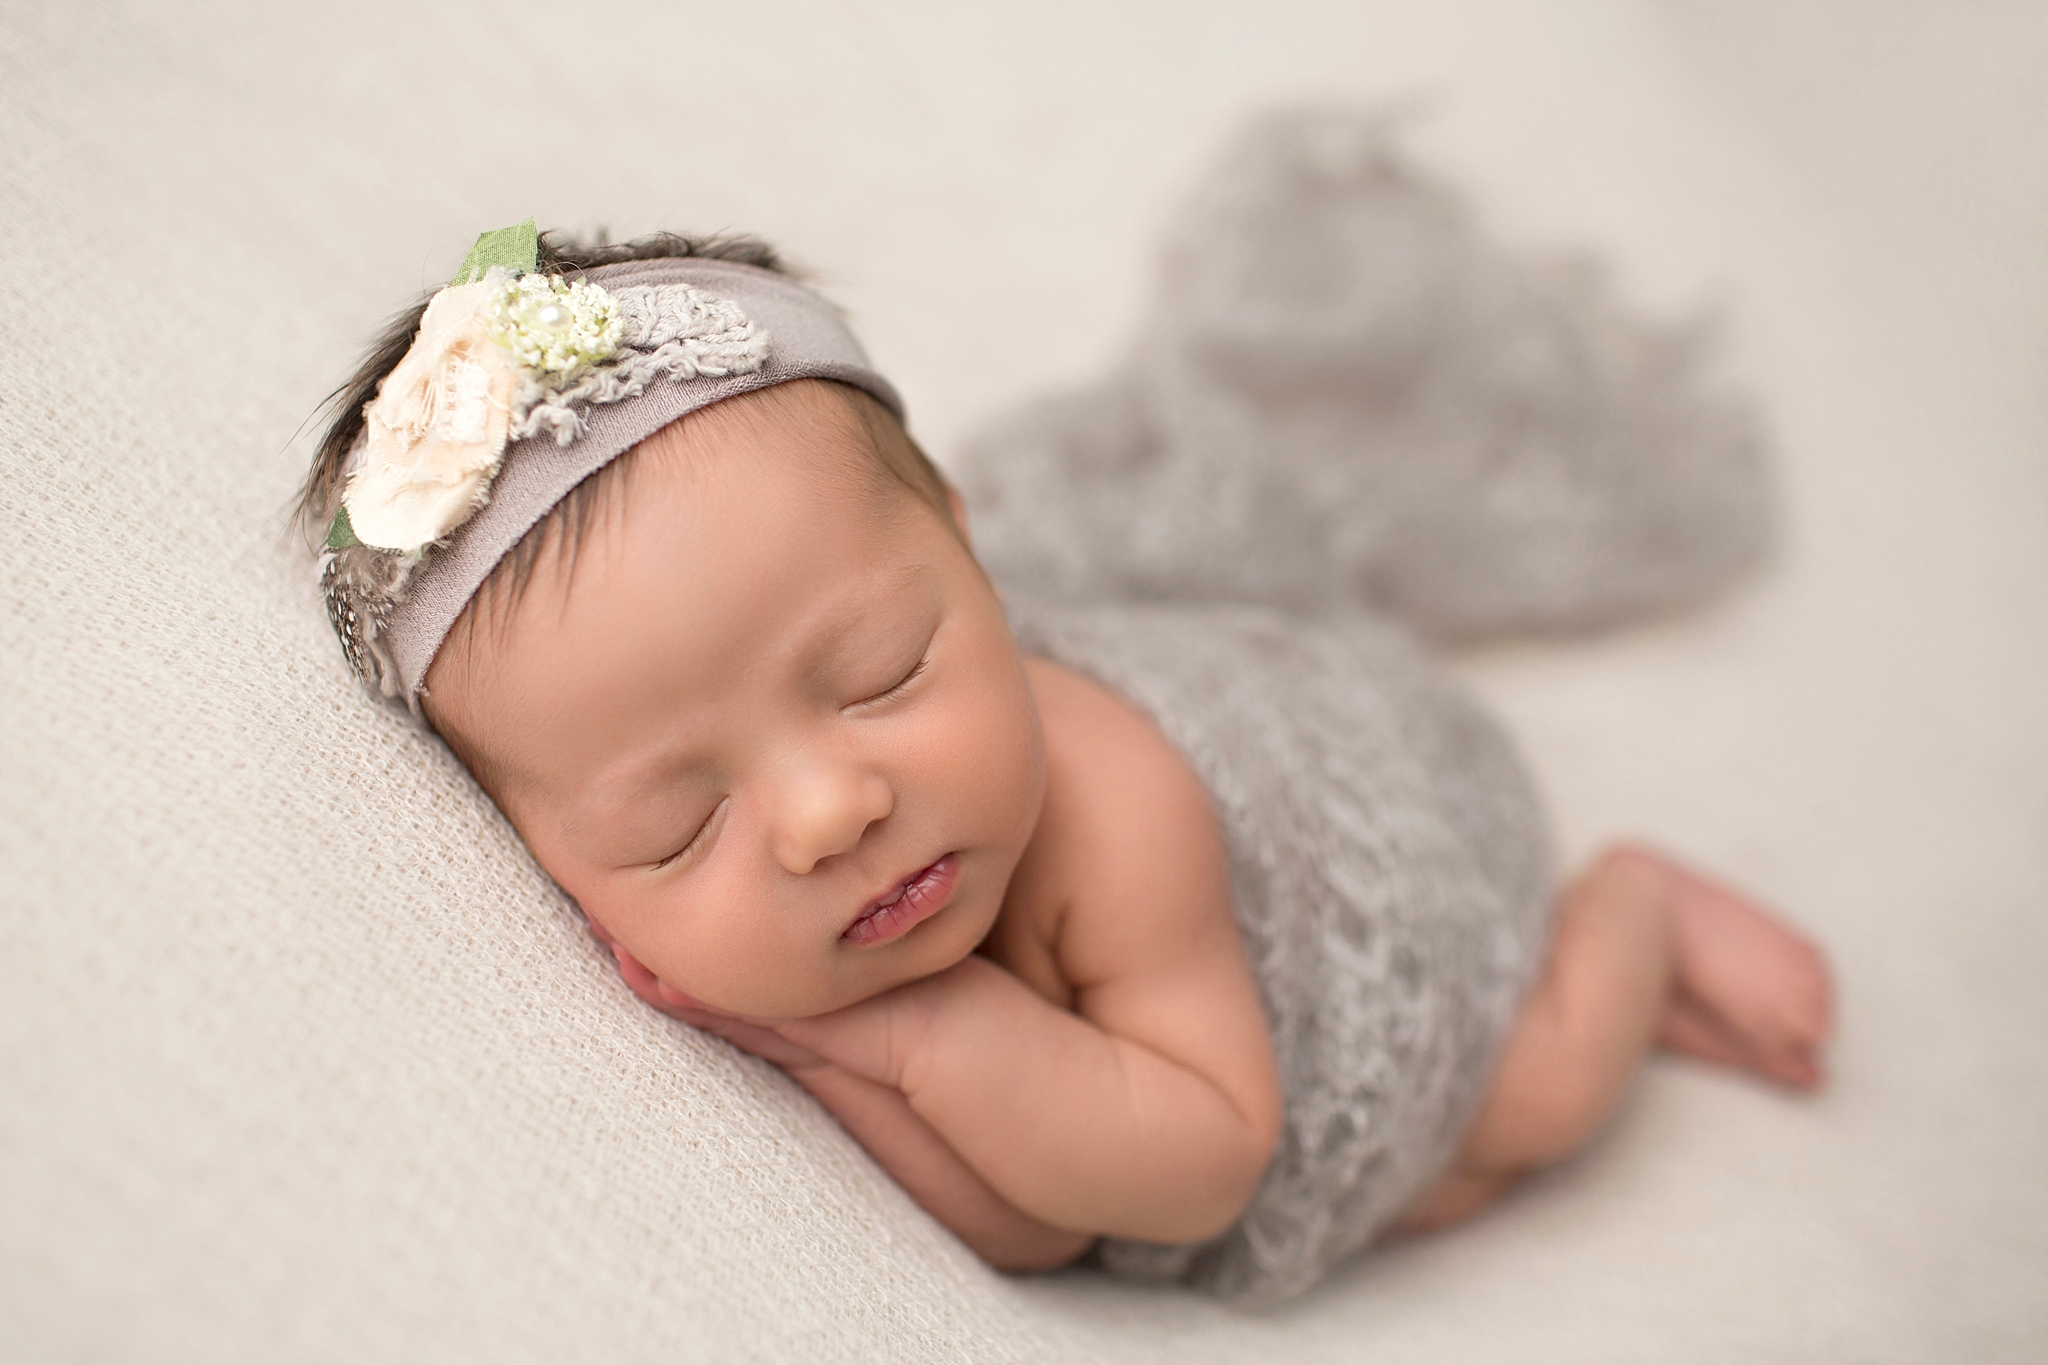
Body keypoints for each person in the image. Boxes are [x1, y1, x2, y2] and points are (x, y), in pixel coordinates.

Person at [300, 211, 1831, 1306]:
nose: (834, 814)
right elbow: (1033, 1230)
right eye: (678, 824)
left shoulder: (1123, 813)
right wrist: (859, 1054)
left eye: (885, 672)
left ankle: (1635, 906)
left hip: (1363, 913)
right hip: (1126, 1102)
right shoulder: (815, 931)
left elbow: (1210, 1161)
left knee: (1514, 1120)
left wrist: (908, 1043)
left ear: (965, 550)